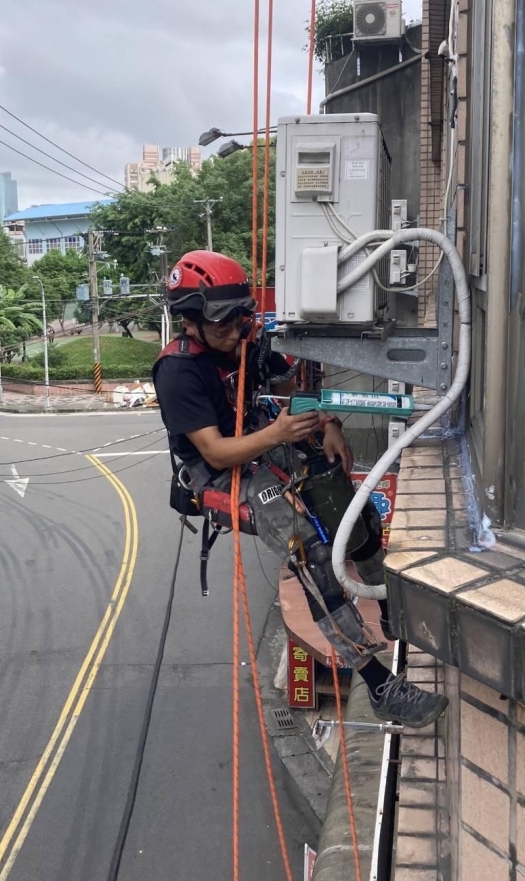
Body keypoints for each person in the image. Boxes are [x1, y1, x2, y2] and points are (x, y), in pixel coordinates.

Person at [152, 250, 447, 729]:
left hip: (264, 436)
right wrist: (280, 436)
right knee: (309, 553)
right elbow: (216, 453)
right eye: (221, 326)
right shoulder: (178, 371)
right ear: (190, 322)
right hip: (225, 470)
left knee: (352, 511)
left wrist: (324, 422)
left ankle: (392, 608)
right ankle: (379, 684)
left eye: (238, 321)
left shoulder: (244, 342)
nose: (233, 334)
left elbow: (287, 386)